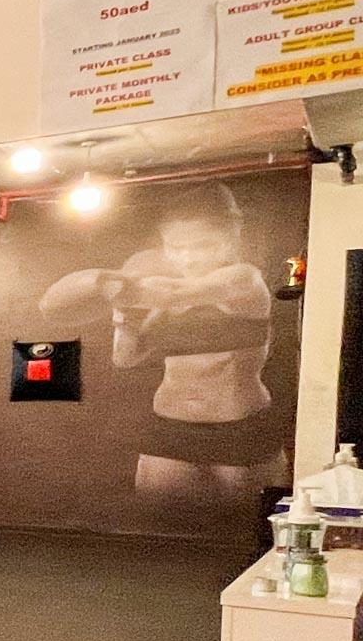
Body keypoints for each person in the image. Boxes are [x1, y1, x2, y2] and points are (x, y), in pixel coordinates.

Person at [38, 182, 285, 505]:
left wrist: (114, 283)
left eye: (203, 246)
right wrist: (124, 314)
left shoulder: (243, 280)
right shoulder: (160, 298)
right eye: (176, 248)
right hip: (170, 427)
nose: (189, 259)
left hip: (238, 428)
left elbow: (175, 293)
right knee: (156, 521)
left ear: (231, 239)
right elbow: (125, 358)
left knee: (248, 526)